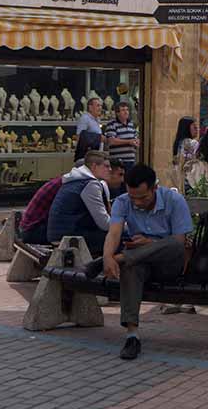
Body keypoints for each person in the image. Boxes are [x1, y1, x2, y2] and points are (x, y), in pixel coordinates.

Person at [103, 163, 193, 360]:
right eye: (133, 197)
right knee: (130, 266)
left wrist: (151, 243)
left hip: (170, 263)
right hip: (142, 261)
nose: (137, 203)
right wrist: (108, 256)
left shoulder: (174, 200)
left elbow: (179, 242)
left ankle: (123, 257)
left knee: (173, 246)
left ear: (155, 189)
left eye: (143, 198)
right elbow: (114, 232)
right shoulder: (122, 201)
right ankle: (132, 335)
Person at [22, 158, 125, 246]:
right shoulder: (83, 185)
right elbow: (102, 222)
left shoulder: (69, 181)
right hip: (36, 231)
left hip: (32, 228)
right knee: (114, 239)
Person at [47, 150, 112, 256]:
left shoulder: (74, 180)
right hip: (71, 238)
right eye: (106, 166)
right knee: (121, 239)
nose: (110, 170)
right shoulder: (90, 185)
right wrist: (128, 226)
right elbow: (104, 223)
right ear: (94, 166)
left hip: (58, 235)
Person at [104, 101, 138, 170]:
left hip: (131, 161)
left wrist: (136, 143)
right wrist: (129, 142)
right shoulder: (112, 124)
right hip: (118, 162)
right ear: (117, 113)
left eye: (127, 110)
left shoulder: (131, 124)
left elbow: (135, 139)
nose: (126, 112)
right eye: (123, 110)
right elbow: (111, 141)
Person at [171, 116, 199, 190]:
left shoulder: (177, 143)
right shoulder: (193, 143)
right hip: (190, 181)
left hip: (178, 180)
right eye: (195, 128)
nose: (197, 130)